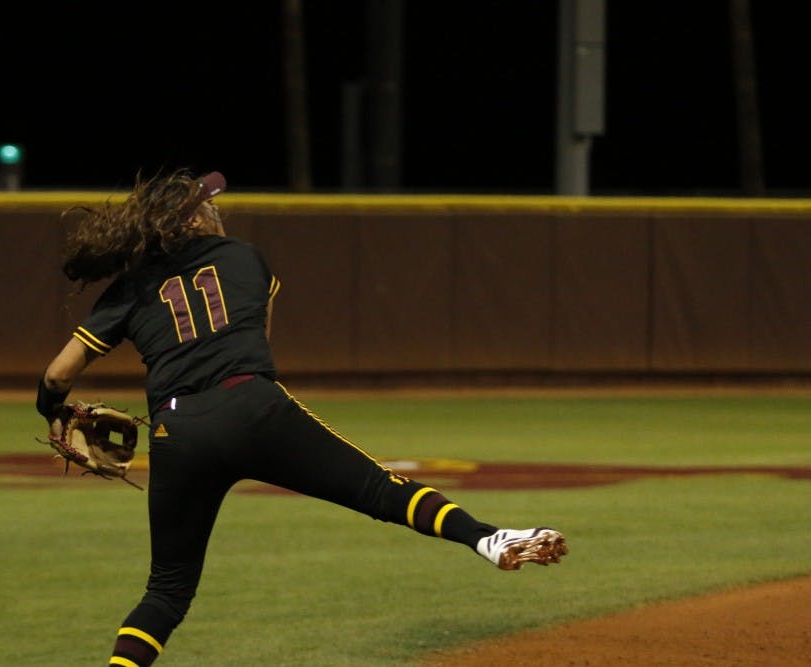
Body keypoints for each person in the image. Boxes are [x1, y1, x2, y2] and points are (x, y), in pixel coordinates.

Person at [36, 168, 568, 666]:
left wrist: (52, 409)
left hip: (179, 432)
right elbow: (259, 351)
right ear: (193, 220)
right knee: (381, 491)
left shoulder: (129, 288)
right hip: (254, 405)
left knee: (167, 592)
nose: (216, 209)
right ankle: (486, 538)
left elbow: (59, 373)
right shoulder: (245, 258)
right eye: (208, 203)